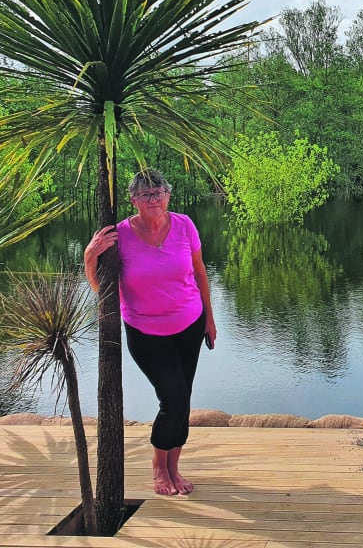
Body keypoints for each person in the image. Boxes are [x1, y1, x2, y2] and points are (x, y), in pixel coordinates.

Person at [84, 168, 217, 496]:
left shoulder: (185, 225)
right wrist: (89, 256)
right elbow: (103, 291)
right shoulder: (120, 236)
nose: (153, 199)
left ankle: (174, 467)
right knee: (172, 398)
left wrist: (210, 321)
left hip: (190, 325)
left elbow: (200, 274)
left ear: (168, 196)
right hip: (146, 332)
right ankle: (159, 468)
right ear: (134, 200)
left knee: (183, 400)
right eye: (145, 195)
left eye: (158, 193)